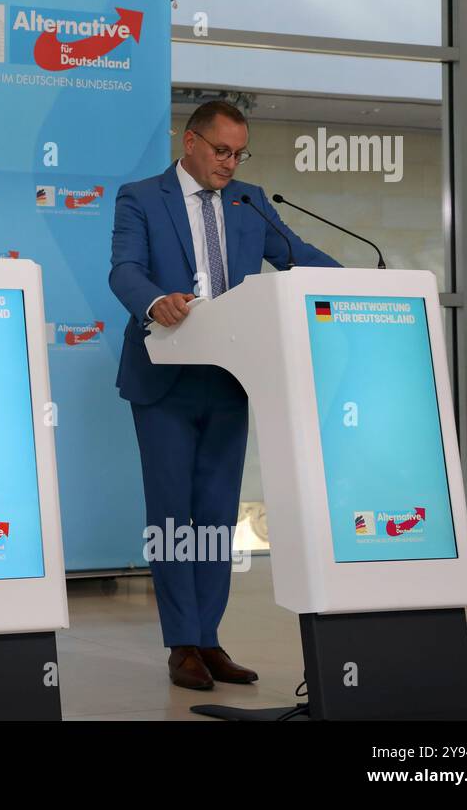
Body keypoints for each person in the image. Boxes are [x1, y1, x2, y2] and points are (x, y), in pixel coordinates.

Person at [108, 100, 340, 691]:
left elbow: (296, 256)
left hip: (231, 377)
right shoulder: (141, 196)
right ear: (190, 143)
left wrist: (359, 279)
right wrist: (155, 299)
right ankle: (180, 641)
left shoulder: (249, 201)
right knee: (172, 516)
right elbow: (124, 269)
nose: (231, 163)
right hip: (165, 378)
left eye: (239, 153)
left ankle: (208, 637)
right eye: (221, 151)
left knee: (214, 516)